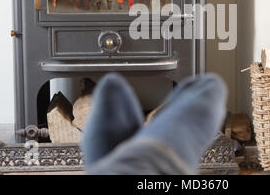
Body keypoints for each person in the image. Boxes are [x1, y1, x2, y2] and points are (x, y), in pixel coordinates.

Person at [82, 73, 228, 175]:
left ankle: (118, 158)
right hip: (162, 164)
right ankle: (145, 150)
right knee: (210, 87)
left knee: (111, 86)